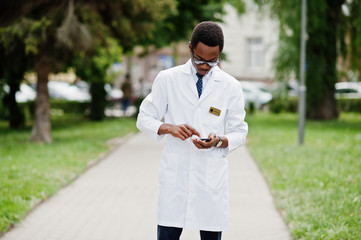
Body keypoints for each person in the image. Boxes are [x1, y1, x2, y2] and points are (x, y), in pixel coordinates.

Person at [136, 21, 248, 240]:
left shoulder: (230, 86)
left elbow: (240, 131)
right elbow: (143, 118)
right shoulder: (168, 79)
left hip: (210, 179)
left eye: (212, 61)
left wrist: (219, 140)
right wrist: (168, 127)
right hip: (175, 178)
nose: (204, 65)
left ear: (219, 55)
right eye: (199, 58)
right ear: (190, 48)